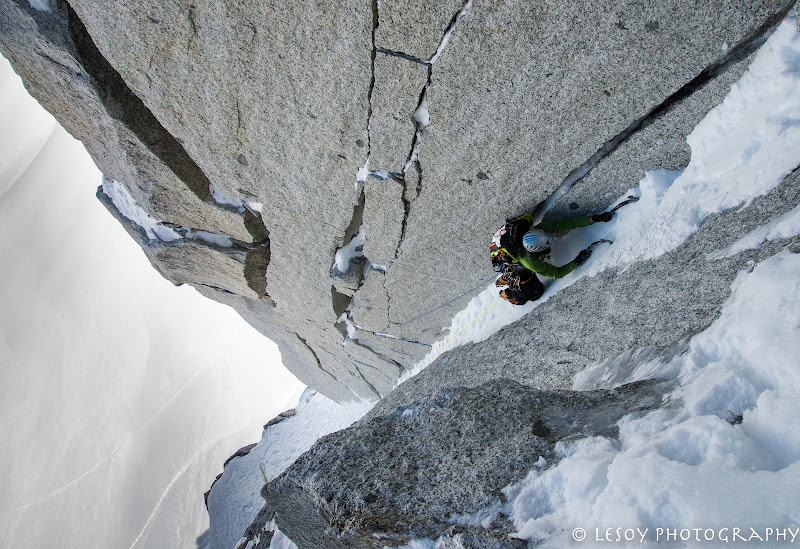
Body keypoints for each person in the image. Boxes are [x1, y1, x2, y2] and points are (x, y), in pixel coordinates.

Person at [490, 211, 613, 305]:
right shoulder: (530, 262)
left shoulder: (540, 230)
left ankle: (504, 279)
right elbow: (557, 273)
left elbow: (568, 223)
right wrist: (577, 261)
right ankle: (508, 293)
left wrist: (593, 219)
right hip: (512, 262)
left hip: (505, 246)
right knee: (534, 293)